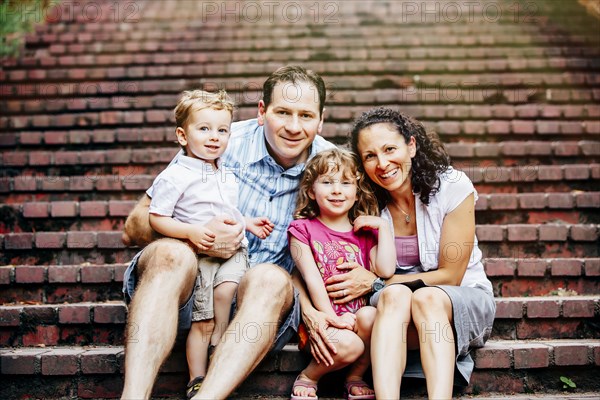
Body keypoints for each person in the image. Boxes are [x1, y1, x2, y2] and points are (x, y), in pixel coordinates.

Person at [120, 65, 347, 400]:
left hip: (260, 310)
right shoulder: (217, 139)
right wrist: (195, 235)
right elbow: (135, 225)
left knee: (270, 277)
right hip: (188, 293)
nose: (294, 127)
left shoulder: (333, 169)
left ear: (321, 119)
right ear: (261, 111)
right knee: (172, 252)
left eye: (306, 116)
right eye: (282, 112)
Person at [322, 107, 494, 399]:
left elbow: (451, 276)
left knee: (425, 296)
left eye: (390, 149)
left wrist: (376, 283)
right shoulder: (366, 203)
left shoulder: (451, 186)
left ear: (411, 146)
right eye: (370, 156)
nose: (383, 163)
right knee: (394, 296)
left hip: (461, 299)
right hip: (394, 311)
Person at [145, 89, 274, 398]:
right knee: (202, 320)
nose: (215, 137)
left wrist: (248, 223)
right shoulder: (175, 176)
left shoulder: (224, 172)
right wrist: (189, 232)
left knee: (228, 289)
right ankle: (197, 378)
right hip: (200, 254)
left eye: (222, 130)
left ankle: (220, 341)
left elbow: (226, 211)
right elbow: (157, 218)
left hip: (233, 250)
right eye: (204, 129)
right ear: (182, 135)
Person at [287, 148, 396, 399]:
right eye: (327, 182)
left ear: (357, 192)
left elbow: (386, 270)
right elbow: (312, 279)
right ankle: (308, 375)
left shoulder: (365, 234)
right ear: (312, 191)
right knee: (350, 343)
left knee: (371, 315)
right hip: (324, 325)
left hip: (357, 323)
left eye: (346, 183)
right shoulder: (302, 230)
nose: (337, 190)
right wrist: (330, 318)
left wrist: (383, 227)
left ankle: (355, 376)